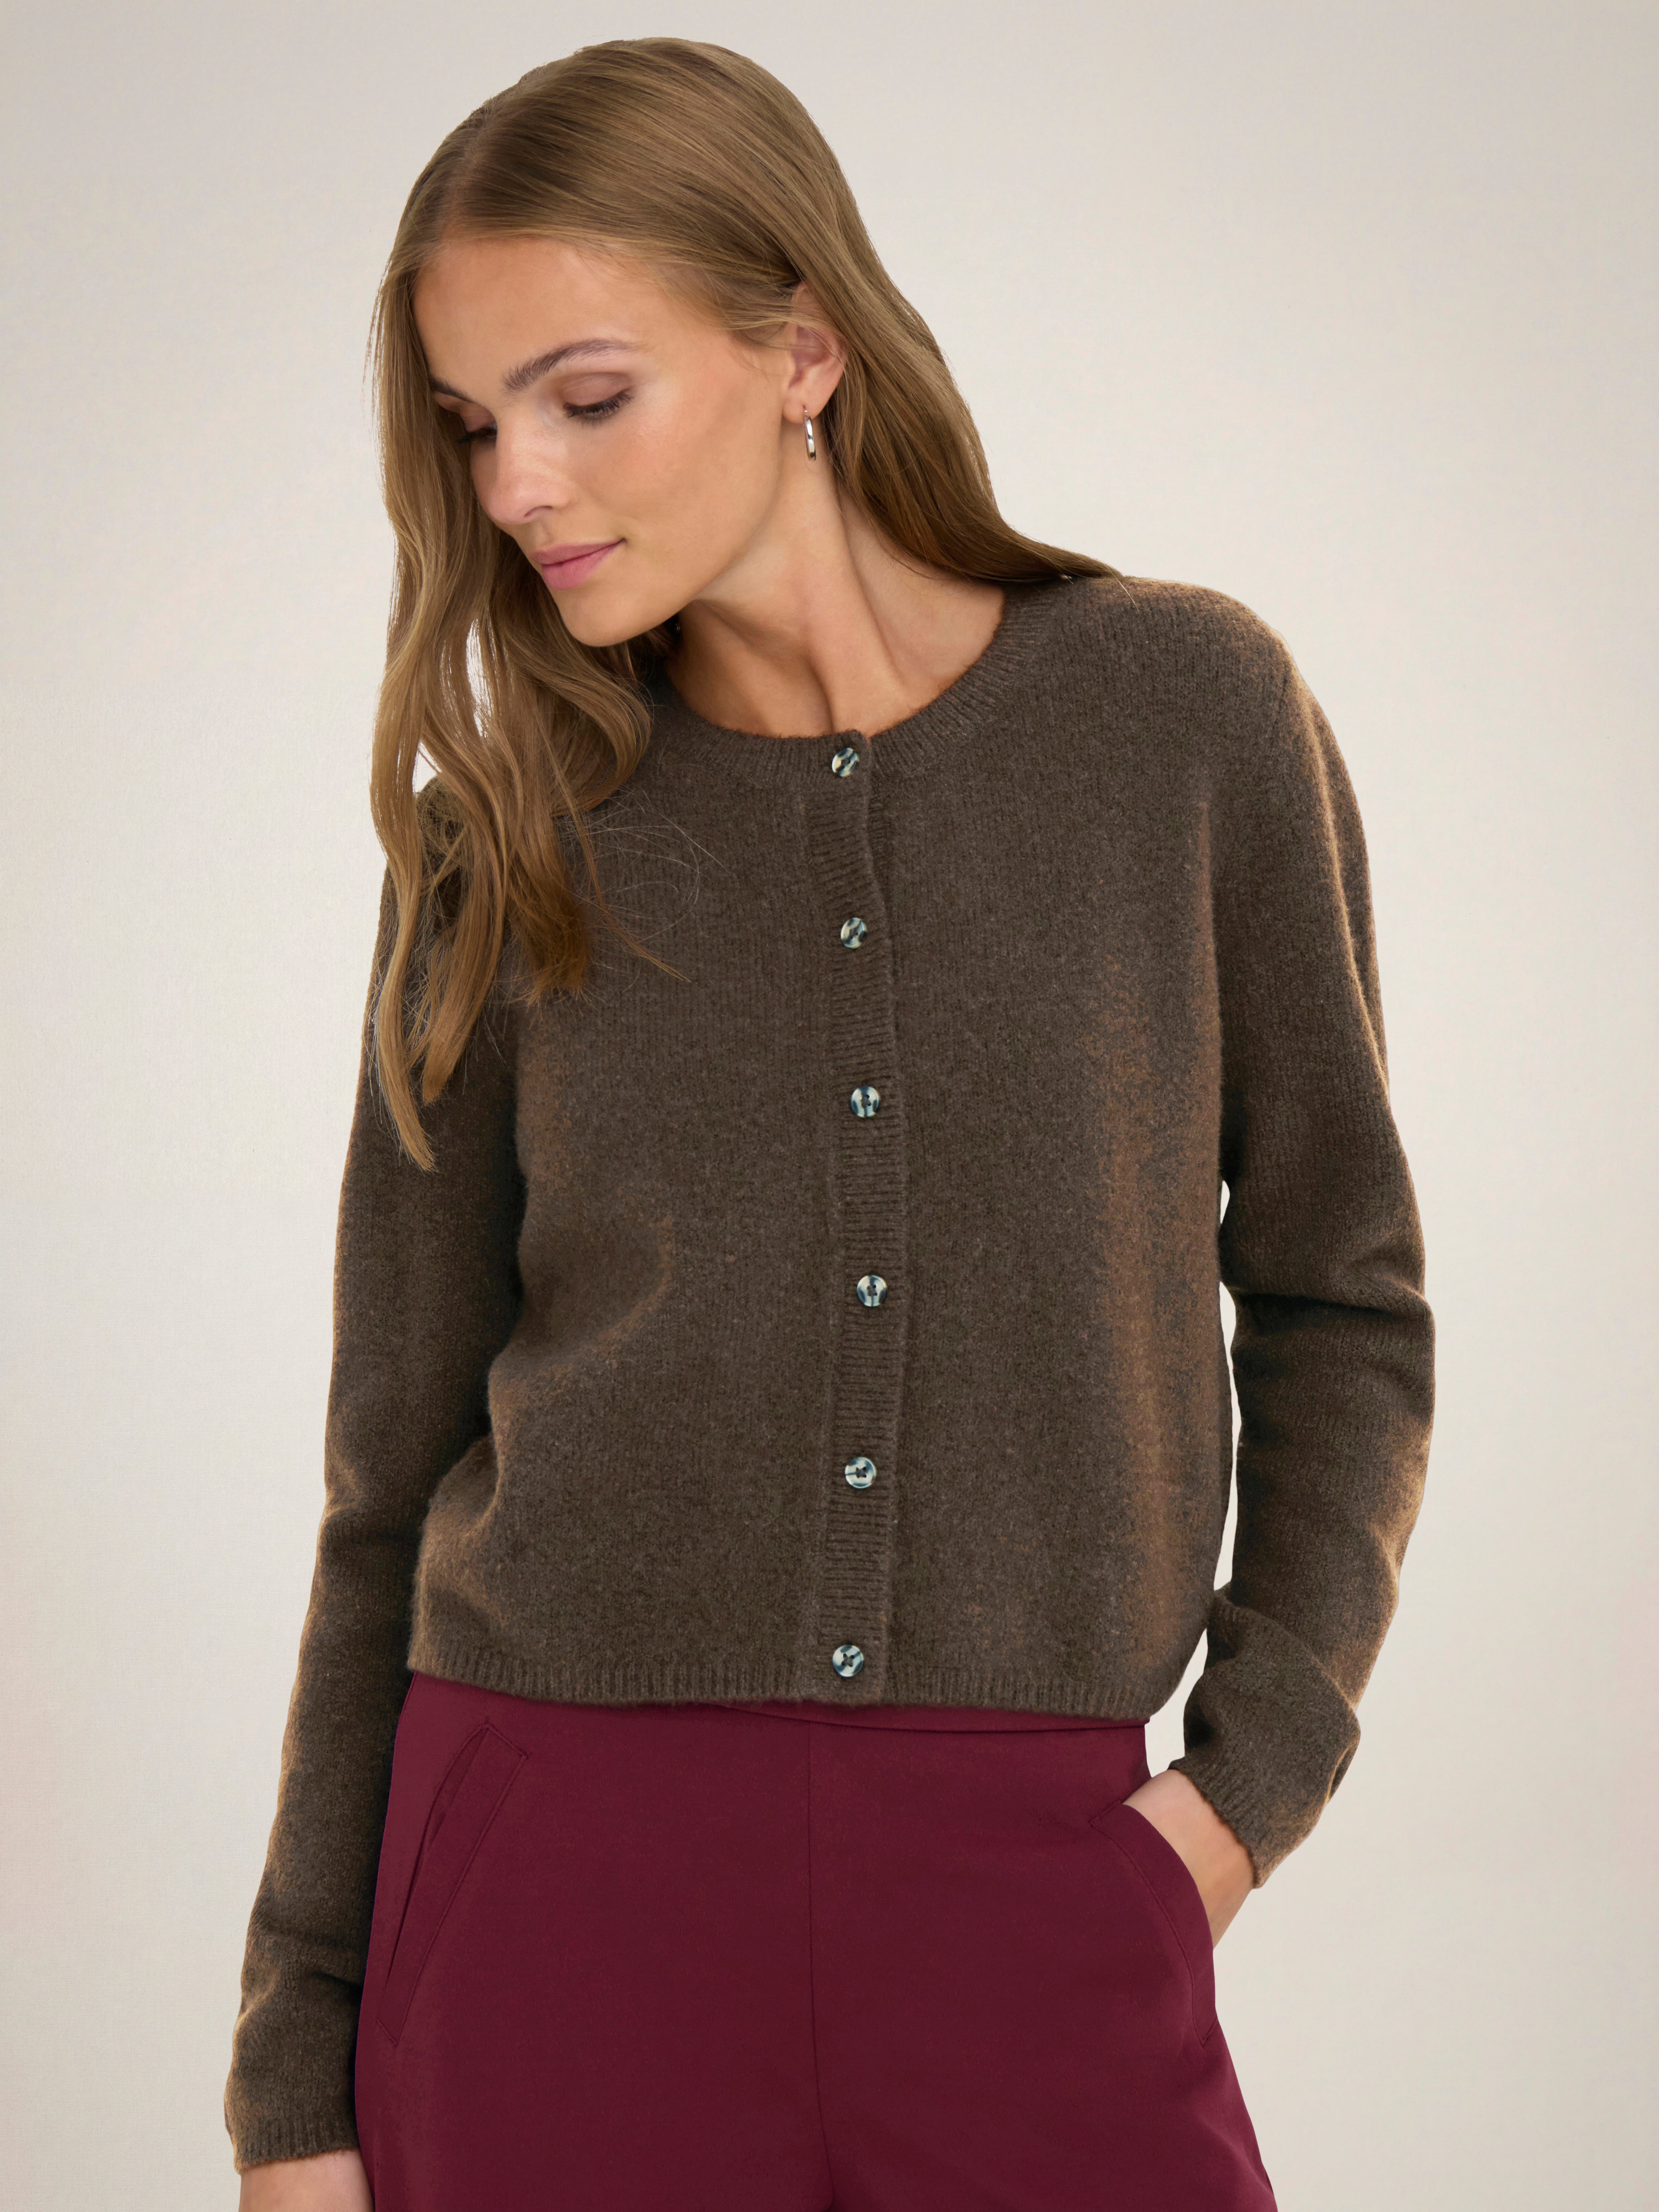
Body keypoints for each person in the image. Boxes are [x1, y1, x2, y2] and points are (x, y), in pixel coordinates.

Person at [224, 35, 1434, 2212]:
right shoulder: (504, 836)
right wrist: (294, 2072)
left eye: (585, 397)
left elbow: (1344, 1301)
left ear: (802, 349)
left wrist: (1238, 1797)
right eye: (471, 423)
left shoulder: (1182, 718)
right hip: (552, 1883)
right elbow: (387, 1472)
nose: (516, 484)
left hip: (1042, 1881)